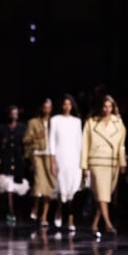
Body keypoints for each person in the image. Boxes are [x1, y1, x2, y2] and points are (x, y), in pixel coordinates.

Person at [81, 95, 127, 237]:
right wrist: (84, 166)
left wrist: (122, 162)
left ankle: (95, 224)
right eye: (104, 106)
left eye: (110, 106)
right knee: (102, 194)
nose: (107, 109)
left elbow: (121, 145)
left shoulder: (118, 123)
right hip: (96, 161)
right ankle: (108, 224)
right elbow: (85, 145)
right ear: (100, 107)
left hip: (112, 162)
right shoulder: (90, 123)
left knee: (105, 195)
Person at [49, 95, 83, 233]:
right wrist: (52, 161)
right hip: (60, 157)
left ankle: (70, 219)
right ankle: (58, 211)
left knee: (72, 190)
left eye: (69, 104)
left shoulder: (77, 121)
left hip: (74, 158)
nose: (67, 106)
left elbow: (79, 141)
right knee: (61, 187)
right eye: (64, 104)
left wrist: (82, 161)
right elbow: (51, 140)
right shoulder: (55, 120)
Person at [25, 99, 55, 228]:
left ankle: (44, 215)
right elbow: (26, 139)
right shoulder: (33, 122)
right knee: (38, 183)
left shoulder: (55, 122)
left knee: (49, 185)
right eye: (45, 107)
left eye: (49, 107)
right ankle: (36, 206)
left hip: (51, 155)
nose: (46, 110)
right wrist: (36, 137)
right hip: (38, 154)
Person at [0, 104, 28, 223]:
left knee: (17, 187)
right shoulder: (2, 128)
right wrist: (2, 145)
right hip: (6, 158)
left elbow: (26, 143)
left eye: (16, 113)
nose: (14, 115)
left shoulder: (23, 128)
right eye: (12, 113)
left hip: (18, 158)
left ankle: (18, 210)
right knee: (8, 186)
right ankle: (10, 211)